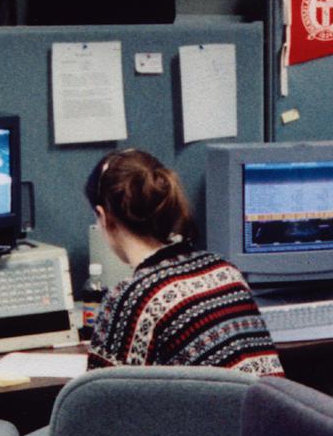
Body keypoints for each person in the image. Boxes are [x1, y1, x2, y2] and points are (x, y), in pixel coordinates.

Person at [83, 149, 284, 377]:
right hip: (264, 401)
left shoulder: (131, 299)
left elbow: (99, 395)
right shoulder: (224, 271)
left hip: (213, 403)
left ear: (103, 217)